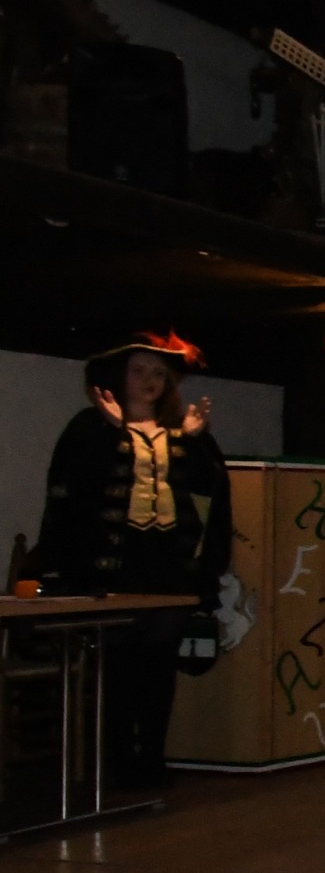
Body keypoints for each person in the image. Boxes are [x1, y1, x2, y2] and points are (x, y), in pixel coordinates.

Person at [35, 331, 232, 788]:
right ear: (118, 376)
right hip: (115, 566)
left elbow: (210, 499)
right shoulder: (90, 427)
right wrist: (110, 431)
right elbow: (72, 493)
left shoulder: (185, 433)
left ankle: (152, 758)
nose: (149, 380)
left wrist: (195, 443)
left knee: (159, 668)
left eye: (158, 373)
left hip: (167, 568)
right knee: (118, 666)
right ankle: (117, 760)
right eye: (139, 370)